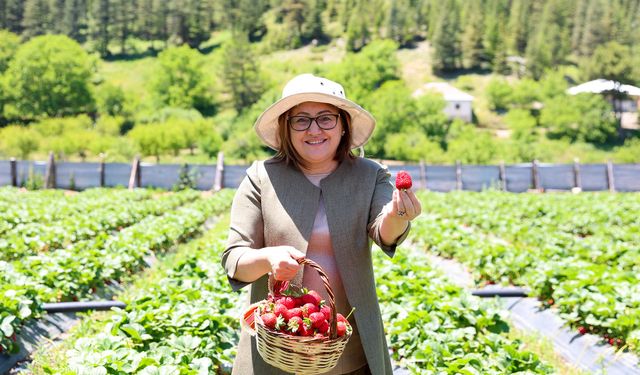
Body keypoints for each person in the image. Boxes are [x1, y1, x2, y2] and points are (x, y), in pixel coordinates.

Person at [222, 73, 421, 375]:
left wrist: (398, 214)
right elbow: (235, 261)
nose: (314, 129)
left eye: (326, 118)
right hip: (278, 345)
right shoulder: (261, 178)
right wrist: (268, 258)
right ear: (286, 128)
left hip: (349, 349)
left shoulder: (370, 176)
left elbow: (385, 232)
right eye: (301, 120)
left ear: (343, 125)